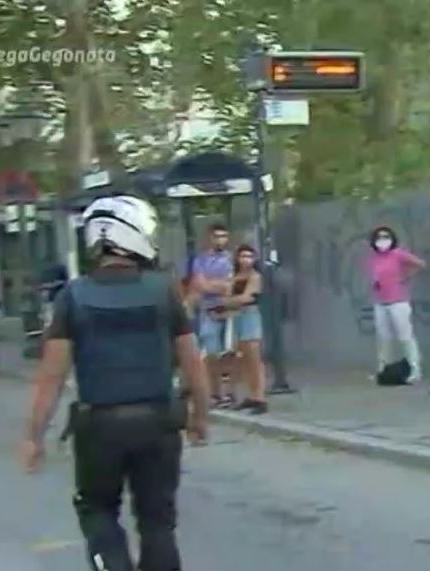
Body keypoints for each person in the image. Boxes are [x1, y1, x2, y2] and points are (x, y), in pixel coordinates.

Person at [18, 195, 210, 571]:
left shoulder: (73, 296)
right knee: (157, 521)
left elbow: (51, 376)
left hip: (99, 427)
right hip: (158, 423)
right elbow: (193, 362)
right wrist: (200, 415)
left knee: (98, 510)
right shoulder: (163, 291)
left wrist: (34, 436)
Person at [368, 226, 426, 384]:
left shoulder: (398, 254)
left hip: (398, 301)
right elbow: (375, 276)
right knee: (383, 338)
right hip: (380, 302)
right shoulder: (374, 258)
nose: (382, 240)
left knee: (405, 336)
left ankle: (415, 369)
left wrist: (405, 277)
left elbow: (420, 264)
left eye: (386, 236)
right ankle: (383, 370)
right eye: (379, 237)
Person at [190, 224, 236, 408]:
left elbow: (233, 285)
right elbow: (201, 286)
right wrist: (220, 285)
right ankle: (215, 393)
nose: (220, 240)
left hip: (230, 310)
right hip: (209, 312)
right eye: (217, 236)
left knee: (231, 354)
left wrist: (214, 285)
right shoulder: (200, 260)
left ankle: (229, 392)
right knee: (211, 354)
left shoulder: (231, 258)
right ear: (210, 238)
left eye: (224, 236)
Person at [223, 244, 268, 414]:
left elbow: (248, 297)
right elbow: (226, 297)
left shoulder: (255, 277)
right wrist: (232, 300)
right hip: (238, 318)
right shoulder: (234, 277)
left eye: (249, 256)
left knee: (255, 358)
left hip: (250, 316)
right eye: (243, 256)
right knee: (243, 359)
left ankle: (260, 398)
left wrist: (233, 300)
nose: (246, 260)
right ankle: (250, 395)